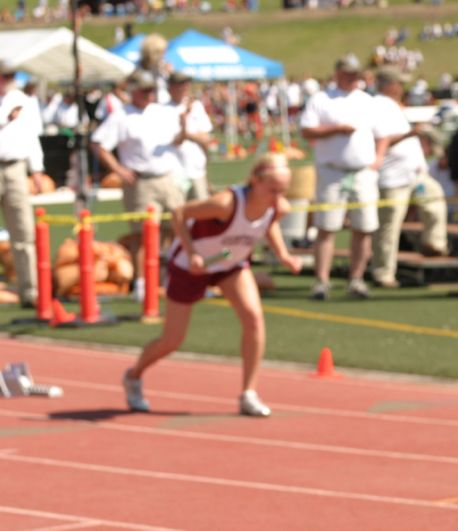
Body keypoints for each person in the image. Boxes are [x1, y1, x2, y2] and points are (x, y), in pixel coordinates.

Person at [122, 152, 302, 416]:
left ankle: (248, 393)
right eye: (272, 189)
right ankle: (134, 375)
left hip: (230, 264)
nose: (277, 197)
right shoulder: (225, 203)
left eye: (282, 191)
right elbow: (179, 213)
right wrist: (191, 251)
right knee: (172, 340)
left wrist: (283, 254)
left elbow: (269, 221)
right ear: (255, 180)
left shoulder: (278, 205)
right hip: (190, 268)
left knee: (253, 318)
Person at [90, 70, 185, 300]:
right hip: (141, 182)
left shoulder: (160, 112)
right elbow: (98, 144)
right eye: (145, 90)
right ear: (134, 91)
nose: (149, 94)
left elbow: (177, 140)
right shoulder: (121, 116)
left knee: (179, 226)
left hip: (166, 177)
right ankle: (142, 283)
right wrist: (119, 170)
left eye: (152, 90)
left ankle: (171, 275)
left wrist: (184, 127)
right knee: (143, 235)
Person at [299, 55, 381, 300]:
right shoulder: (322, 100)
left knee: (364, 227)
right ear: (337, 74)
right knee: (326, 226)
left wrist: (378, 158)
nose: (352, 79)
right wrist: (336, 129)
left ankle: (356, 279)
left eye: (355, 74)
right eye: (348, 74)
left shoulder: (368, 101)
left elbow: (383, 132)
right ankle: (322, 280)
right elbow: (306, 130)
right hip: (332, 170)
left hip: (362, 171)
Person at [371, 66, 448, 288]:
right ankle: (383, 272)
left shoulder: (395, 106)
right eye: (399, 83)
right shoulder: (378, 106)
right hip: (392, 177)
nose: (402, 87)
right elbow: (382, 140)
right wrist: (412, 133)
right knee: (389, 226)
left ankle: (434, 243)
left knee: (434, 198)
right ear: (389, 84)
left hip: (413, 173)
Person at [0, 62, 43, 308]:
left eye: (10, 76)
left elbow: (31, 135)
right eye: (3, 76)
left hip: (15, 167)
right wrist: (5, 118)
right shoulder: (10, 106)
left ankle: (30, 291)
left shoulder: (21, 100)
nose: (6, 80)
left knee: (23, 232)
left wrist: (36, 169)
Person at [165, 71, 214, 201]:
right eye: (181, 84)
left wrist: (186, 133)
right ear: (170, 87)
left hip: (197, 171)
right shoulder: (162, 109)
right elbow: (173, 141)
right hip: (174, 174)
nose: (185, 87)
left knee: (201, 215)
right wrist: (184, 128)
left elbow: (206, 139)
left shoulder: (197, 106)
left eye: (186, 83)